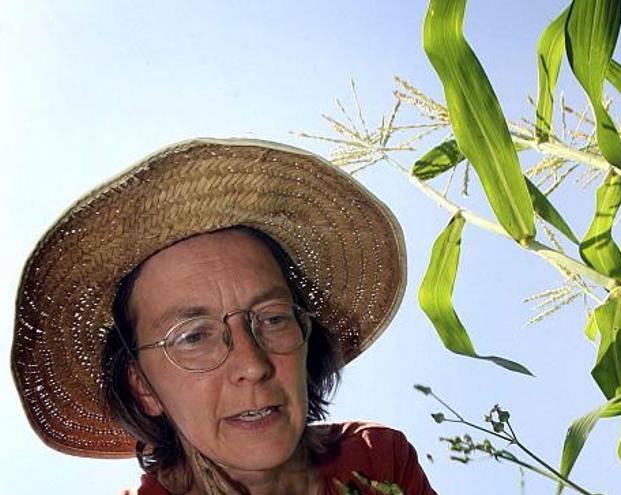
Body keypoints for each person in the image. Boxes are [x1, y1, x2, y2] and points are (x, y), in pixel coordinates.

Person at [12, 138, 437, 494]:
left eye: (272, 319)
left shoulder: (377, 461)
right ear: (144, 388)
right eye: (194, 336)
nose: (253, 365)